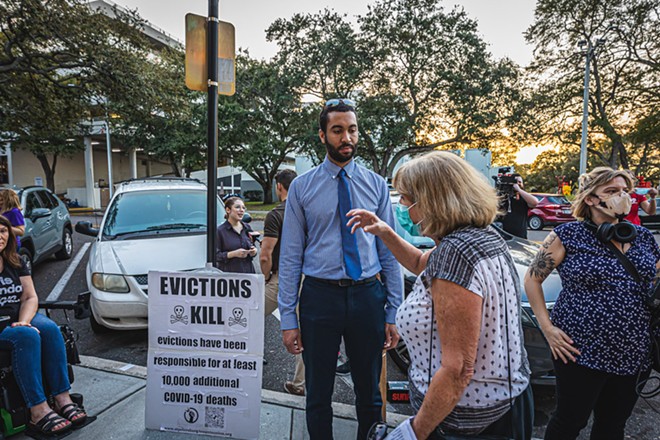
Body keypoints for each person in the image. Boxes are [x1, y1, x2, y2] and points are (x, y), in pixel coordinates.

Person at [348, 151, 533, 439]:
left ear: (432, 201)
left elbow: (458, 369)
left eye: (408, 200)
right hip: (504, 404)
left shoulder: (456, 254)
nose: (405, 209)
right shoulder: (481, 235)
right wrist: (384, 232)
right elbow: (422, 264)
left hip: (462, 421)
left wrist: (413, 432)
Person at [278, 98, 403, 439]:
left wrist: (394, 311)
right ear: (322, 135)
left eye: (351, 129)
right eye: (337, 130)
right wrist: (289, 319)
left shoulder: (376, 185)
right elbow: (289, 257)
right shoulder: (302, 188)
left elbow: (388, 251)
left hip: (367, 296)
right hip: (320, 297)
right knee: (318, 393)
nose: (346, 137)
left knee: (369, 393)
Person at [524, 167, 660, 440]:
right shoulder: (568, 235)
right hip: (578, 350)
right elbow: (532, 279)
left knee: (613, 425)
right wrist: (547, 329)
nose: (621, 196)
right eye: (611, 191)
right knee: (569, 421)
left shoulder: (643, 238)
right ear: (590, 199)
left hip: (634, 351)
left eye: (625, 191)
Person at [0, 215, 87, 435]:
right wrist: (21, 327)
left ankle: (61, 398)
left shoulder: (15, 260)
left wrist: (25, 320)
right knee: (26, 336)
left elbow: (30, 297)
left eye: (3, 231)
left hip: (18, 316)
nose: (0, 236)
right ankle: (37, 410)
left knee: (49, 328)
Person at [258, 169, 305, 396]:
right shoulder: (306, 210)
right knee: (306, 332)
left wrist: (266, 276)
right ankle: (299, 384)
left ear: (279, 187)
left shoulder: (276, 214)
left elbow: (266, 254)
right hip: (308, 278)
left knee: (247, 315)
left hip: (282, 277)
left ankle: (236, 367)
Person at [215, 196, 257, 273]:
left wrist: (253, 251)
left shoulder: (247, 227)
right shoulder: (220, 231)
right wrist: (233, 254)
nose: (241, 210)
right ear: (228, 210)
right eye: (237, 207)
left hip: (248, 273)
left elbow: (252, 245)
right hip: (230, 275)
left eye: (243, 208)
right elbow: (215, 256)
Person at [499, 174, 538, 239]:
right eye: (515, 182)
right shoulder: (503, 197)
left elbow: (535, 202)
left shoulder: (524, 198)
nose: (517, 184)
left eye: (520, 182)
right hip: (503, 236)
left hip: (520, 237)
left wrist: (519, 190)